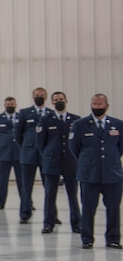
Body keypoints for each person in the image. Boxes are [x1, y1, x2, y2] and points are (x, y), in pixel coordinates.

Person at [70, 94, 123, 250]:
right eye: (94, 104)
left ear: (106, 106)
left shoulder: (117, 124)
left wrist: (109, 161)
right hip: (89, 174)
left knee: (113, 209)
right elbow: (74, 148)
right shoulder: (79, 124)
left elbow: (120, 147)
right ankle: (87, 239)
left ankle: (113, 239)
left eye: (100, 104)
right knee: (88, 208)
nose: (96, 107)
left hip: (112, 174)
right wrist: (89, 161)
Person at [36, 92, 79, 233]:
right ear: (52, 103)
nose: (59, 102)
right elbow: (40, 143)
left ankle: (76, 223)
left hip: (70, 162)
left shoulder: (76, 120)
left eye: (61, 99)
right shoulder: (45, 119)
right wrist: (49, 155)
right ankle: (48, 223)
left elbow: (78, 143)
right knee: (49, 194)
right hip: (51, 162)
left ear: (66, 100)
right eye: (56, 100)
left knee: (73, 195)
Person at [15, 87, 48, 224]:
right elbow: (17, 135)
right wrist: (26, 147)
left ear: (45, 97)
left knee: (49, 187)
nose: (39, 97)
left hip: (46, 155)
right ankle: (25, 213)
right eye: (36, 95)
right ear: (32, 97)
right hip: (28, 154)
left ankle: (51, 215)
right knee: (26, 186)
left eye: (41, 95)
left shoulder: (50, 114)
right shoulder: (25, 113)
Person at [0, 97, 22, 211]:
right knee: (2, 180)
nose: (10, 106)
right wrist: (1, 144)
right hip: (4, 154)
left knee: (23, 181)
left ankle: (27, 203)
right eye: (8, 104)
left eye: (12, 104)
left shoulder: (21, 117)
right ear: (4, 105)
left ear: (16, 104)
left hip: (19, 154)